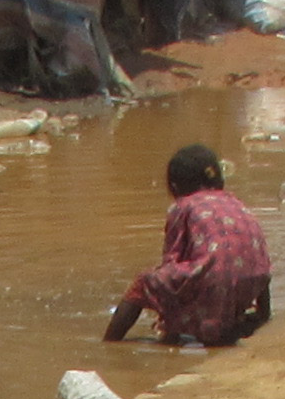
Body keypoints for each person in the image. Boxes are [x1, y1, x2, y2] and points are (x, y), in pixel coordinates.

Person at [105, 144, 272, 348]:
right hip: (256, 279)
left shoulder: (183, 206)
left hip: (216, 280)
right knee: (233, 262)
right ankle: (263, 317)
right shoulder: (235, 202)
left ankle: (110, 343)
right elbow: (256, 253)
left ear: (174, 187)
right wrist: (263, 313)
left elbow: (171, 261)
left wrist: (168, 326)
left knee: (144, 283)